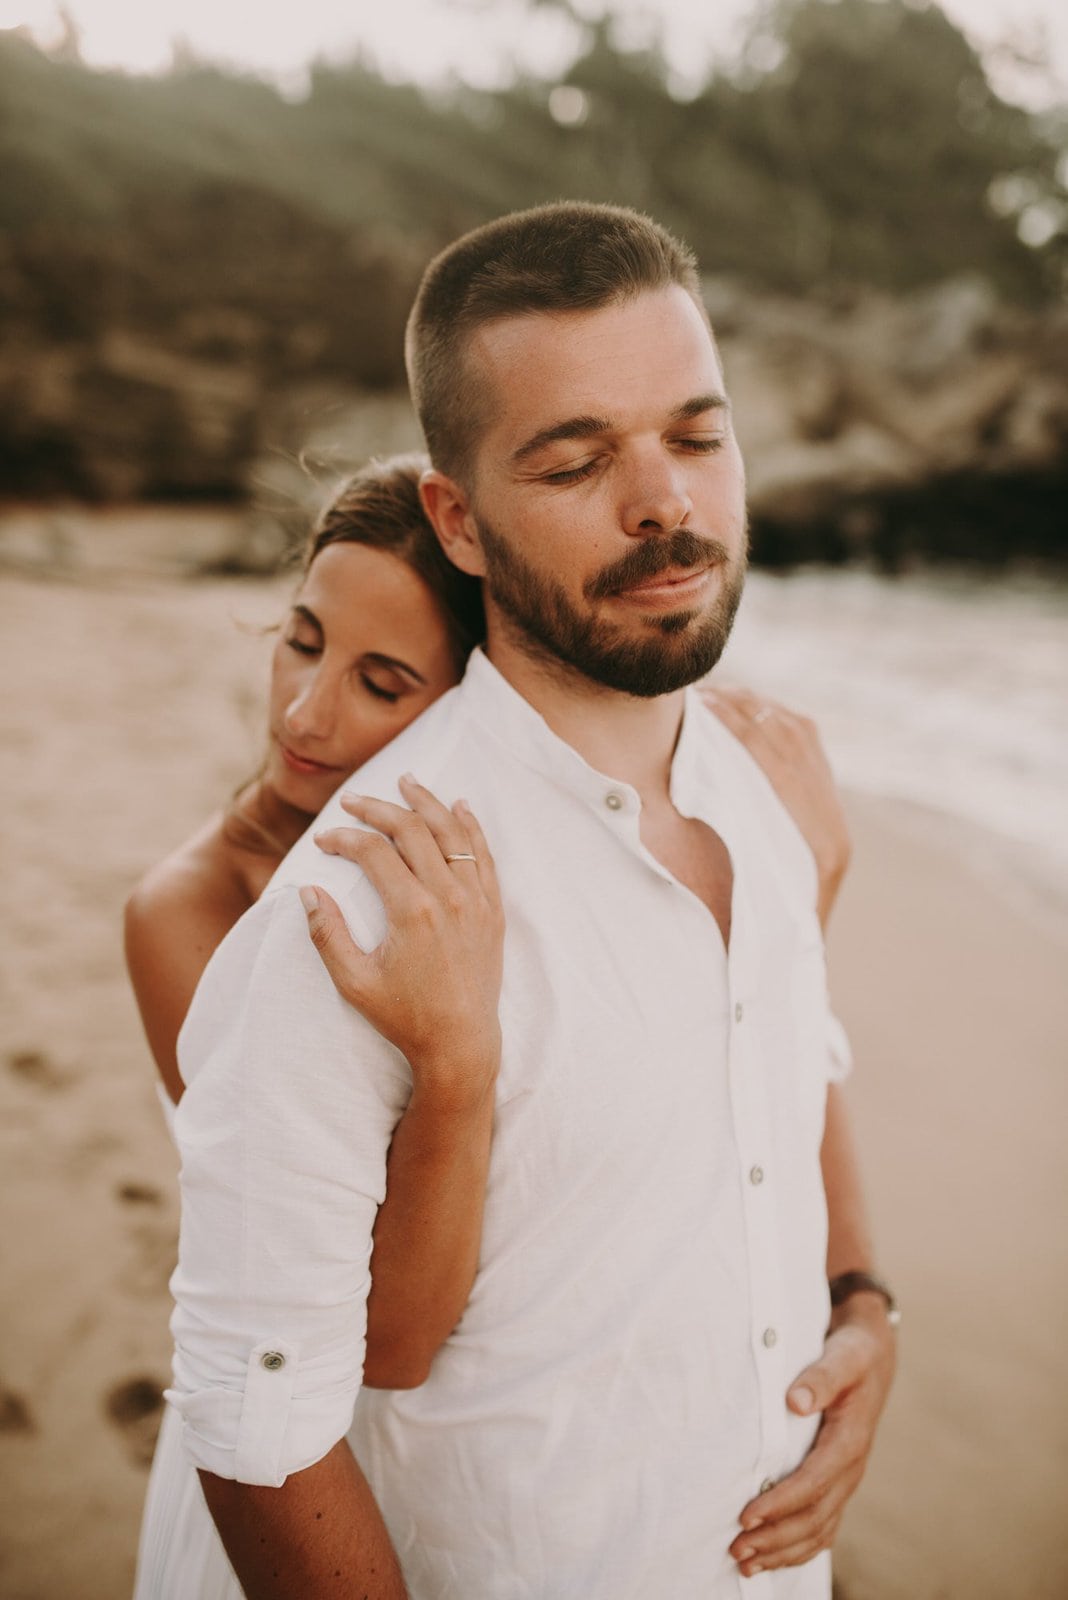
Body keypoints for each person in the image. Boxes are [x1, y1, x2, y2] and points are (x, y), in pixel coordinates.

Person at [163, 202, 894, 1599]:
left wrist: (868, 1308)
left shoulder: (766, 789)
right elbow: (258, 1427)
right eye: (573, 464)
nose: (665, 505)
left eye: (696, 434)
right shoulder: (368, 900)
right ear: (462, 523)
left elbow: (786, 1090)